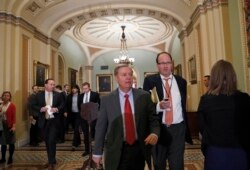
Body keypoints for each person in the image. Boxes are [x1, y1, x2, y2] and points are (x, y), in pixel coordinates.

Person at [93, 64, 160, 170]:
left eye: (130, 74)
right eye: (124, 75)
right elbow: (101, 127)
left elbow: (153, 119)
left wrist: (154, 133)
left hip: (139, 149)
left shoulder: (144, 96)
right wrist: (97, 152)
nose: (128, 77)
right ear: (116, 78)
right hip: (116, 149)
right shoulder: (107, 100)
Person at [143, 52, 193, 170]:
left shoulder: (182, 82)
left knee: (177, 164)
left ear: (172, 64)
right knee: (159, 164)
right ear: (157, 65)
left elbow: (182, 105)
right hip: (159, 129)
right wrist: (159, 106)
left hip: (178, 129)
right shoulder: (150, 81)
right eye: (162, 63)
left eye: (168, 62)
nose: (165, 66)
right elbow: (146, 107)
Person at [197, 60, 250, 170]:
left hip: (215, 152)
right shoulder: (244, 98)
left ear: (214, 77)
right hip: (240, 151)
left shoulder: (206, 100)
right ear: (233, 76)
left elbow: (202, 127)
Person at [30, 78, 64, 170]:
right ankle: (52, 159)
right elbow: (32, 105)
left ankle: (51, 162)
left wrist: (56, 109)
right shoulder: (39, 95)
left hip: (54, 121)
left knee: (51, 140)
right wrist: (41, 109)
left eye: (54, 84)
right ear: (45, 85)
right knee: (47, 141)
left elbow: (62, 104)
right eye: (51, 84)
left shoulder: (58, 95)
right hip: (43, 121)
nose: (53, 86)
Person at [78, 82, 100, 157]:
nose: (85, 90)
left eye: (86, 88)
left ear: (89, 87)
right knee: (86, 134)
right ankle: (87, 150)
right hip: (83, 118)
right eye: (83, 89)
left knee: (92, 133)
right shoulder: (80, 96)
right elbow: (79, 106)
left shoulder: (95, 95)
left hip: (93, 117)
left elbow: (98, 105)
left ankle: (95, 150)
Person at [0, 91, 16, 165]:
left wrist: (13, 126)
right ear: (2, 96)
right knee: (3, 143)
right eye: (4, 95)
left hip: (9, 126)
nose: (6, 97)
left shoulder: (12, 105)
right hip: (2, 126)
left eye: (8, 96)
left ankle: (10, 157)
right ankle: (3, 158)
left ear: (10, 97)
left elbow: (14, 117)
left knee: (11, 143)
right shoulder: (0, 105)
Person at [65, 85, 82, 151]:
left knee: (76, 128)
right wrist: (65, 111)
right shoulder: (69, 96)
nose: (73, 89)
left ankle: (74, 144)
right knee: (75, 128)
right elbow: (66, 105)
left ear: (77, 89)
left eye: (75, 88)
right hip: (71, 114)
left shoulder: (81, 96)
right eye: (72, 88)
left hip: (78, 114)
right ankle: (79, 141)